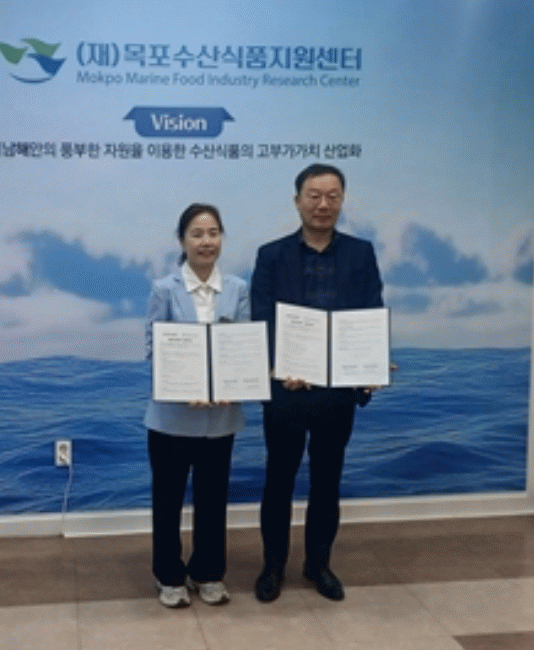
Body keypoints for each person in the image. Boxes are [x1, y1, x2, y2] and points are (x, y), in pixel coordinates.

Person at [251, 164, 384, 603]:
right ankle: (273, 568)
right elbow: (262, 319)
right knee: (279, 481)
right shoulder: (271, 256)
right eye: (314, 195)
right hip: (286, 391)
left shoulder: (361, 254)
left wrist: (370, 364)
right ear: (297, 201)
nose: (323, 204)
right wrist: (279, 367)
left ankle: (318, 565)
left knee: (327, 482)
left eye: (332, 195)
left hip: (336, 392)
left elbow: (370, 311)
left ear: (342, 201)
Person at [144, 203, 249, 608]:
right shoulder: (164, 289)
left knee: (212, 501)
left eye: (213, 233)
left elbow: (243, 345)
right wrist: (178, 386)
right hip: (172, 417)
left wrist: (237, 382)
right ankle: (169, 575)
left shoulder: (237, 288)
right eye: (197, 233)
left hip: (220, 417)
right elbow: (154, 348)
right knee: (168, 501)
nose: (207, 241)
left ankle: (208, 572)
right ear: (182, 240)